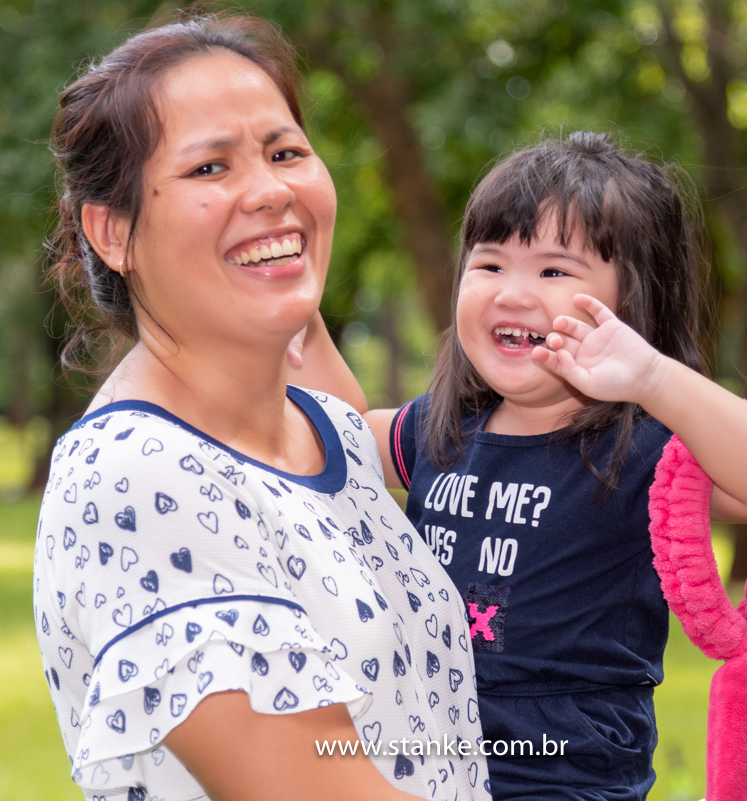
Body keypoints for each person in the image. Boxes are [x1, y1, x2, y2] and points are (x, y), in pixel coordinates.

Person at [33, 14, 491, 801]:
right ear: (113, 232)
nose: (272, 191)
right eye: (210, 168)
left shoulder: (334, 435)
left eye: (285, 153)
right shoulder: (138, 478)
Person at [302, 133, 747, 800]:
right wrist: (293, 317)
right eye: (489, 265)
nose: (513, 292)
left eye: (554, 271)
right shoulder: (439, 429)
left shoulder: (641, 447)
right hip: (425, 757)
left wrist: (653, 377)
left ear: (632, 306)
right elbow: (322, 432)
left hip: (565, 775)